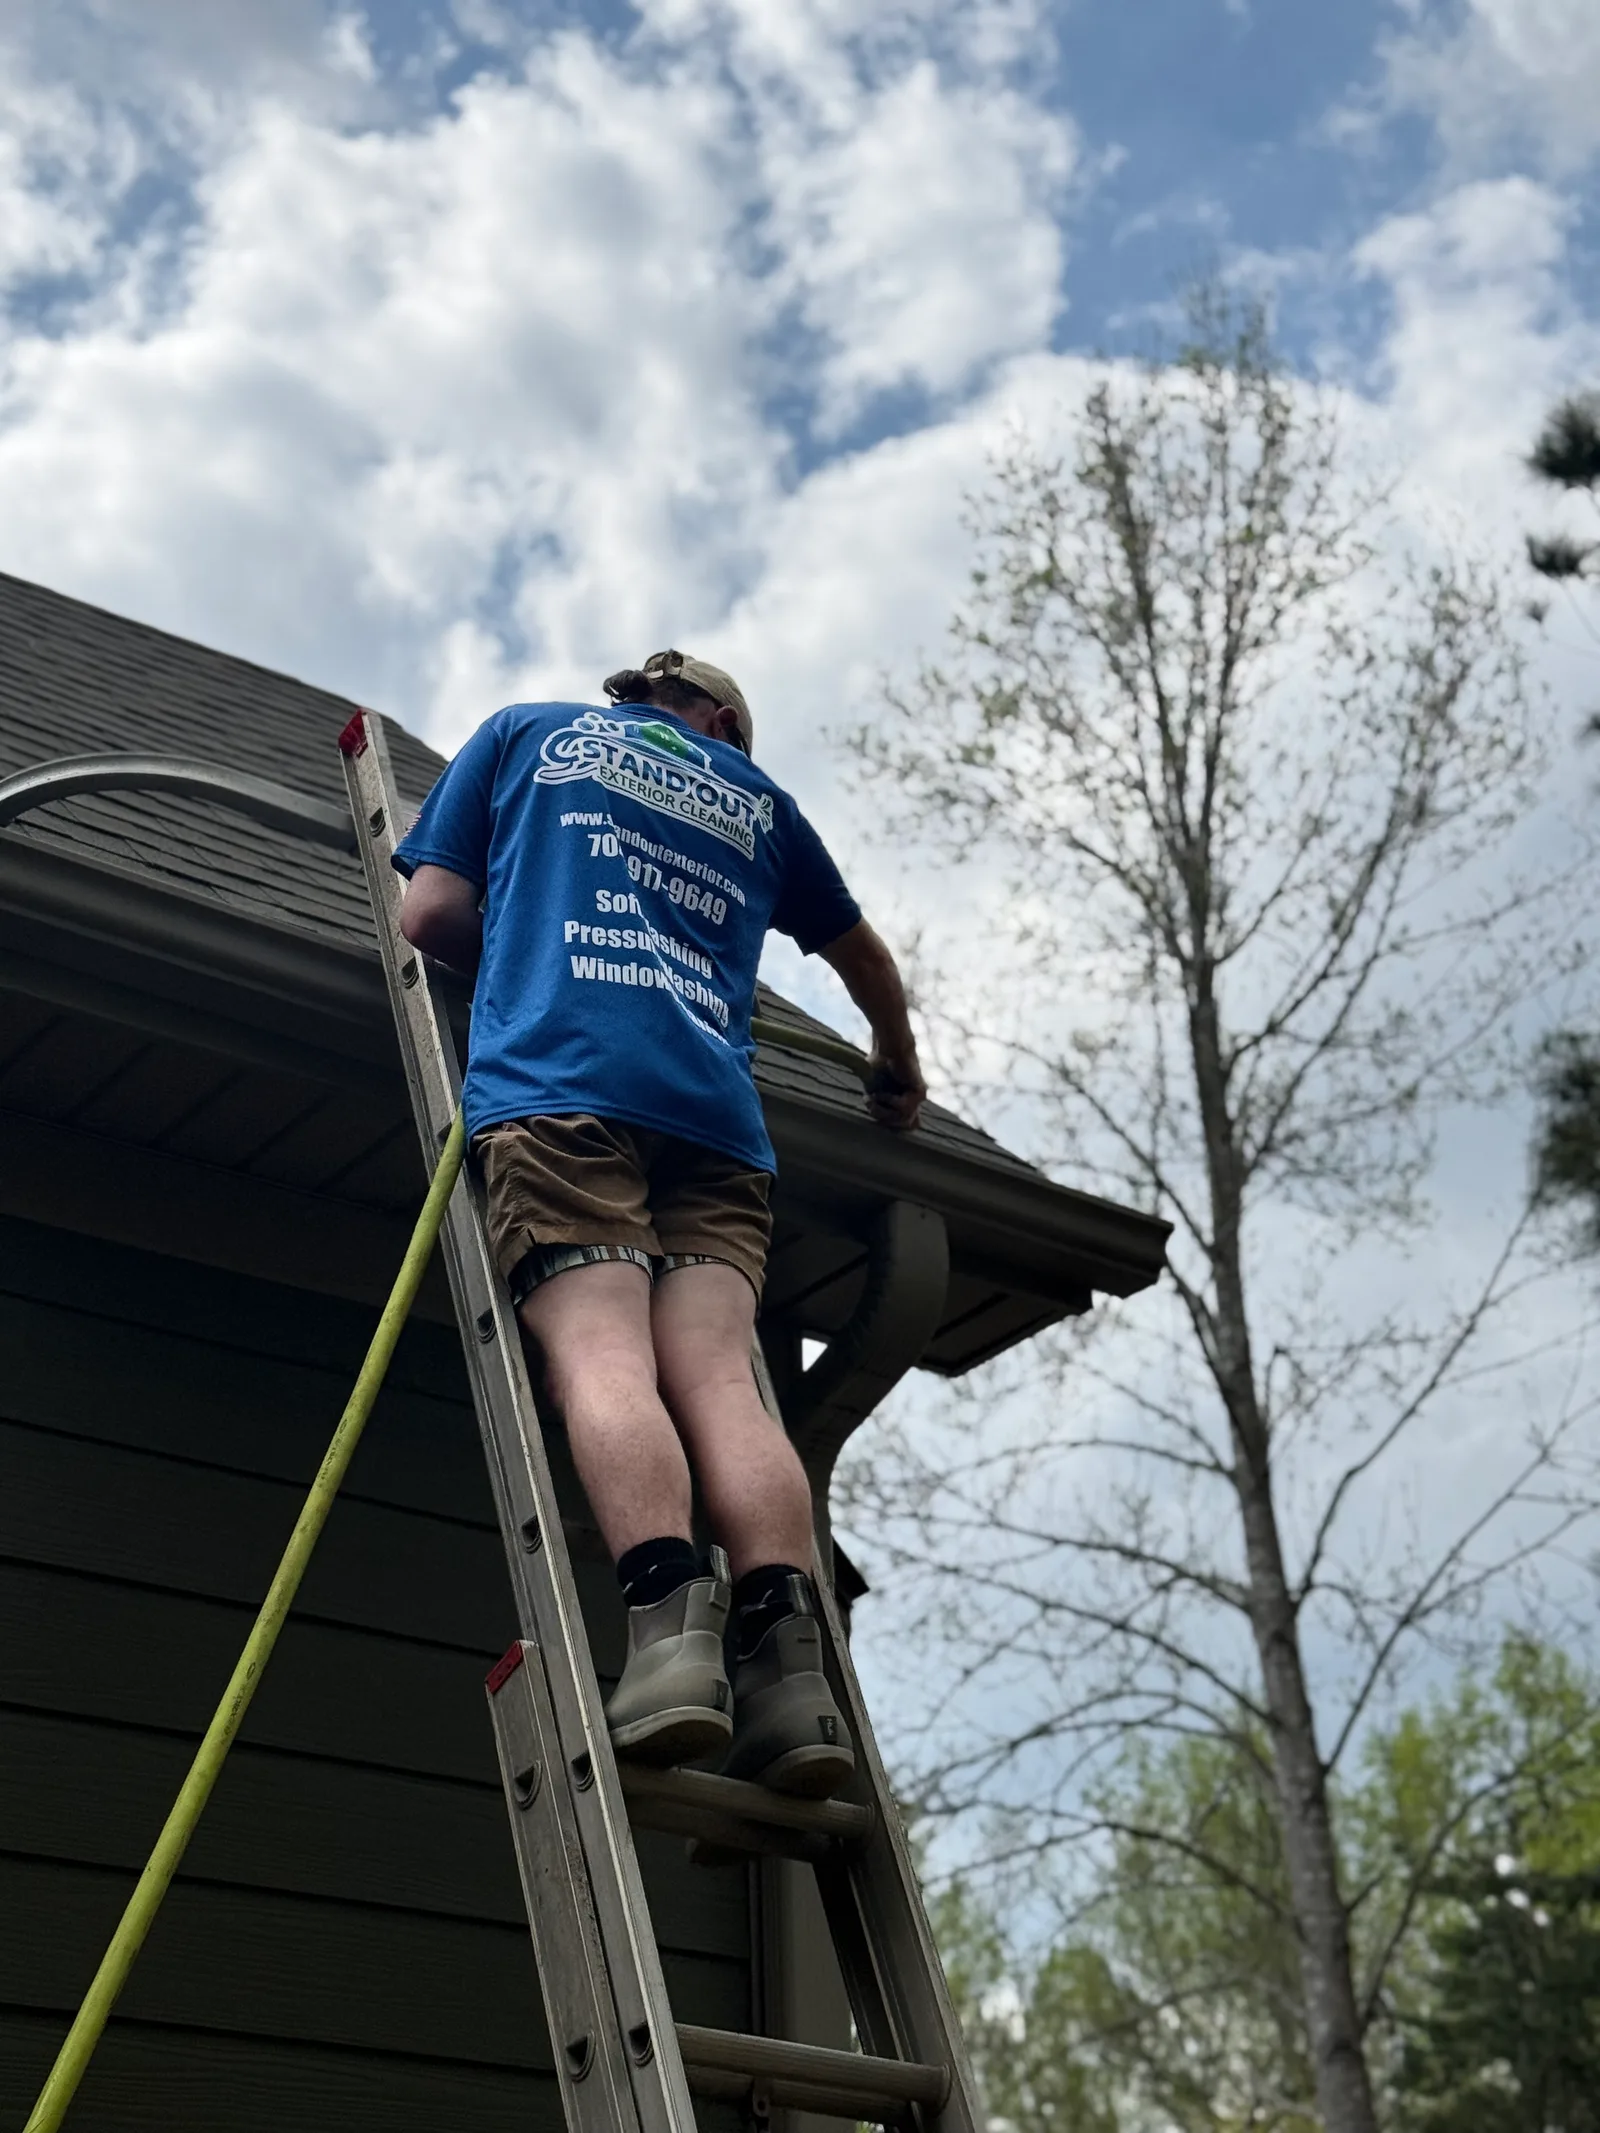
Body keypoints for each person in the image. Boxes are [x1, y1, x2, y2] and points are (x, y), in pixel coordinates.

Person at [393, 648, 925, 1799]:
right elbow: (868, 963)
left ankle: (671, 1646)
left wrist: (528, 976)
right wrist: (896, 1069)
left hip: (565, 1086)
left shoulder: (528, 732)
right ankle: (790, 1679)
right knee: (724, 1386)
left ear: (641, 700)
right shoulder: (758, 801)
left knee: (599, 1355)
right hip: (716, 1132)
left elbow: (430, 911)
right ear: (727, 721)